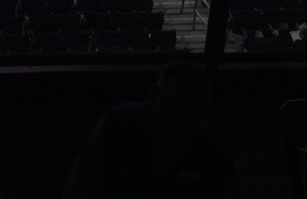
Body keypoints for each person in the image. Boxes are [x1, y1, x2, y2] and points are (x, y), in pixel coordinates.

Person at [62, 57, 238, 197]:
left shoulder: (118, 123)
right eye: (172, 105)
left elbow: (81, 183)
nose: (177, 117)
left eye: (188, 109)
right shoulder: (215, 153)